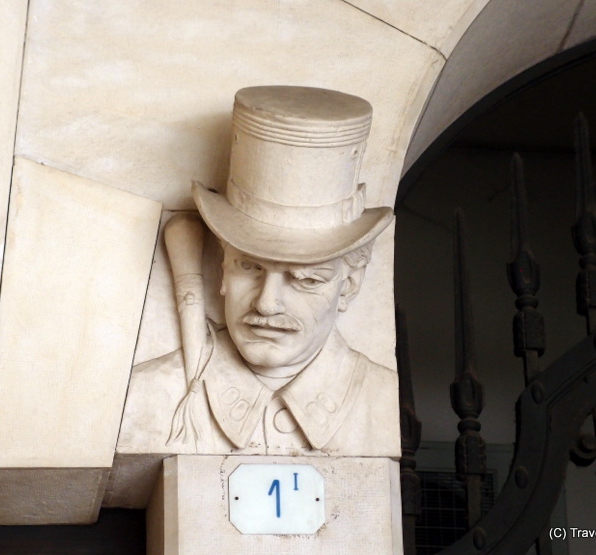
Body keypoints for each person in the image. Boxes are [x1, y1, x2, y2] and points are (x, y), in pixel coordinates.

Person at [117, 86, 398, 457]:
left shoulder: (378, 403)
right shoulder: (148, 395)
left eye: (306, 279)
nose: (266, 305)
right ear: (221, 270)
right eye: (248, 268)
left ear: (348, 286)